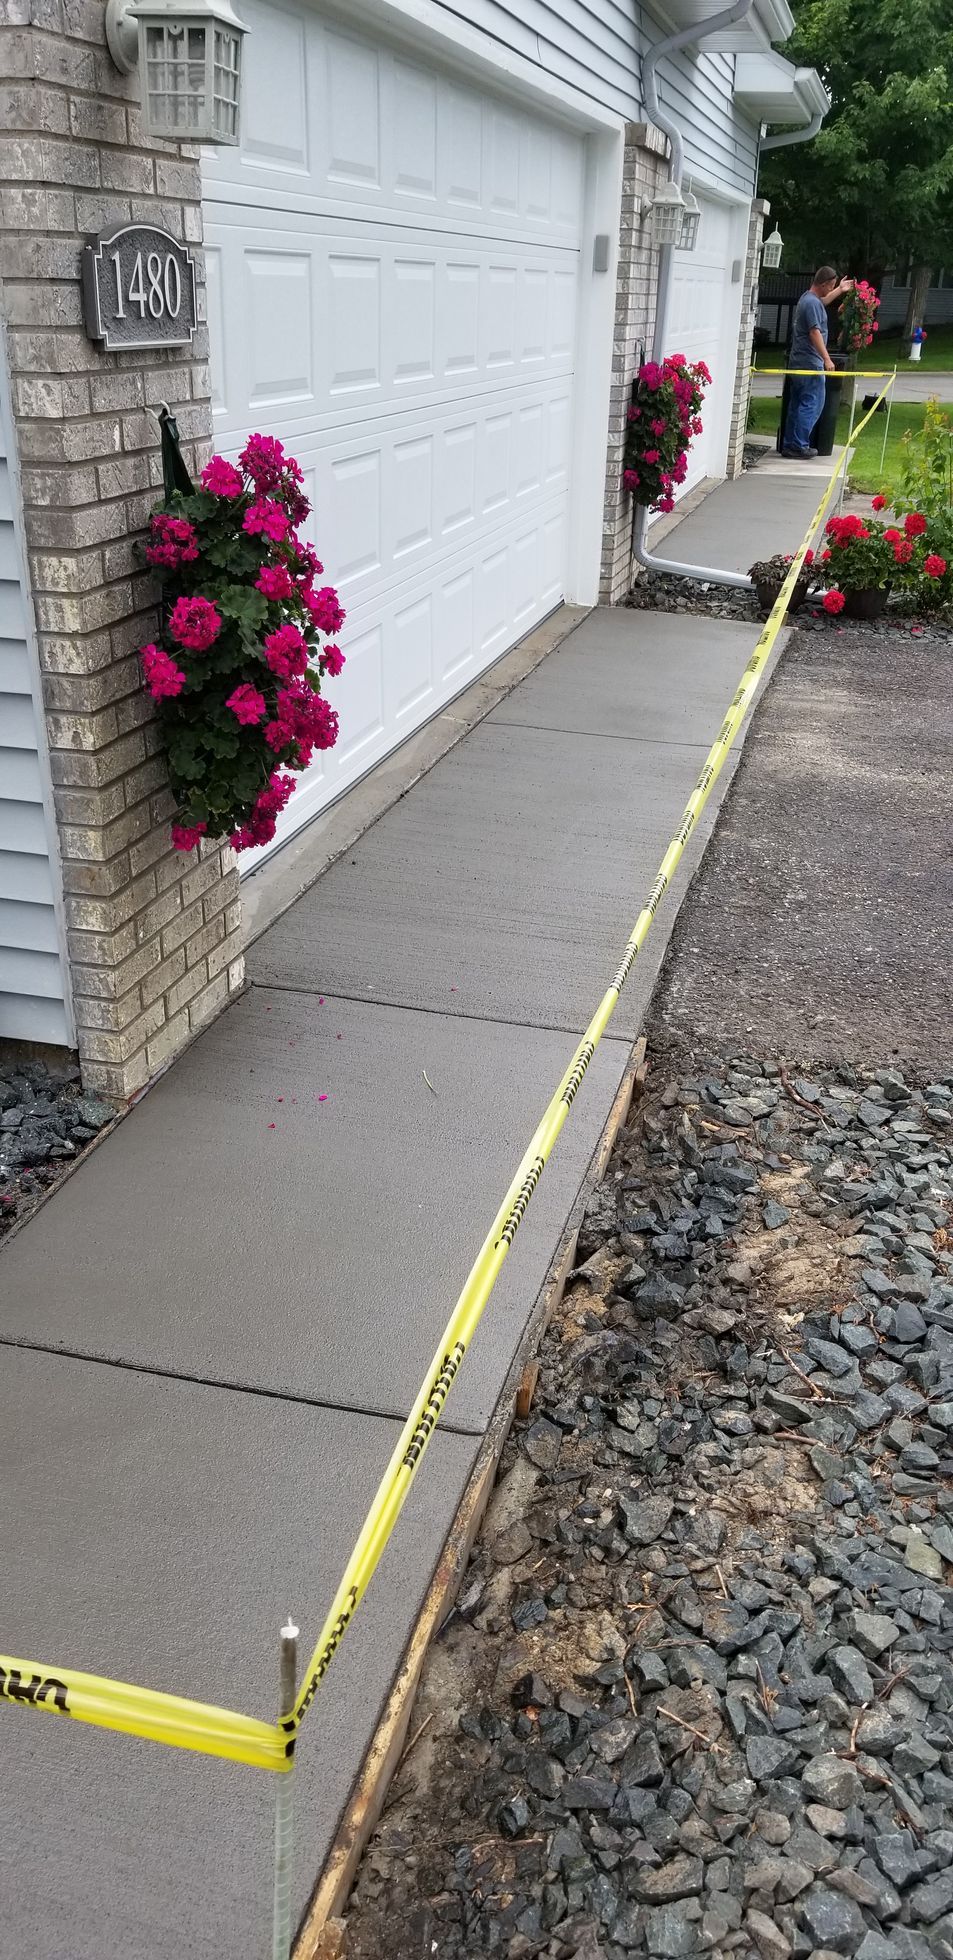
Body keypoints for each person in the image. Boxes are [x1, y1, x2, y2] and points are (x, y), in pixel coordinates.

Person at [782, 267, 855, 458]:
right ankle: (799, 445)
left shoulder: (808, 299)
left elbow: (823, 300)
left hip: (798, 361)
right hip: (809, 363)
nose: (830, 290)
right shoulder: (811, 304)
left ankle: (790, 444)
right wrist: (826, 359)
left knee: (797, 404)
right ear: (823, 284)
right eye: (830, 286)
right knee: (811, 403)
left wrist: (840, 289)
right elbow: (814, 332)